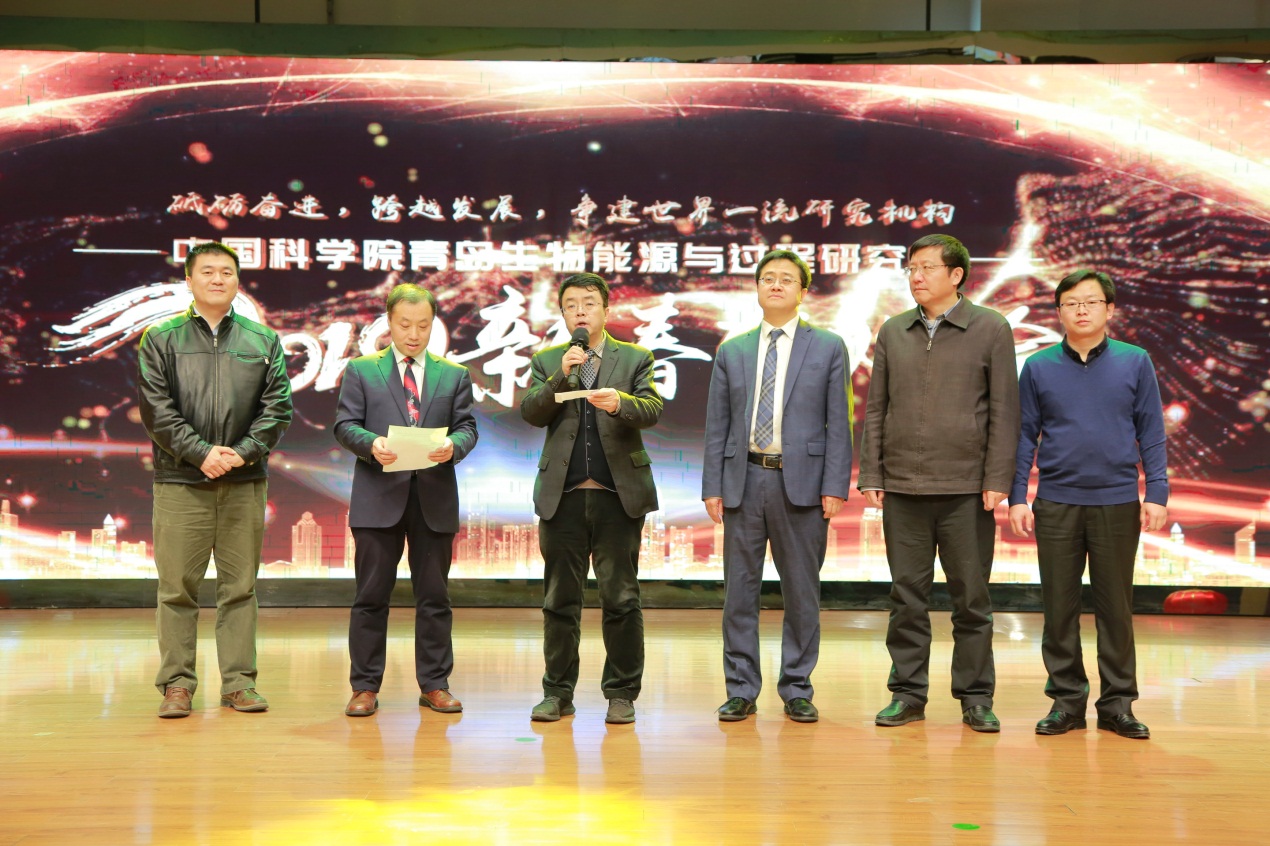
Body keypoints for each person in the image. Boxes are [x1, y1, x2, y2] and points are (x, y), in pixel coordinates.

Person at [857, 233, 1020, 733]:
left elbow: (1004, 410)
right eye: (912, 268)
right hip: (903, 488)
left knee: (971, 598)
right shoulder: (894, 331)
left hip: (966, 489)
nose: (917, 276)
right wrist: (872, 472)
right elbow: (877, 408)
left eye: (927, 267)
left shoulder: (990, 327)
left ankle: (975, 697)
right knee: (907, 597)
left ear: (956, 275)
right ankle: (907, 693)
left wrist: (997, 477)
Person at [1009, 270, 1168, 740]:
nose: (1082, 310)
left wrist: (1157, 492)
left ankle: (1118, 705)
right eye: (1071, 303)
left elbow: (1151, 430)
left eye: (1092, 301)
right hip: (1056, 501)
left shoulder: (1135, 361)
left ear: (1110, 309)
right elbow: (1024, 435)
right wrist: (1018, 495)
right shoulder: (1037, 366)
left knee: (1115, 608)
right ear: (1058, 312)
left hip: (1117, 501)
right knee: (1059, 609)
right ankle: (1066, 703)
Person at [138, 241, 293, 718]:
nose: (217, 279)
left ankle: (239, 683)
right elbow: (157, 411)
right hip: (180, 482)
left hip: (244, 482)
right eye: (207, 271)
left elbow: (277, 408)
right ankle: (177, 685)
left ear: (238, 281)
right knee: (176, 589)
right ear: (189, 280)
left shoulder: (262, 340)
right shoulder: (160, 338)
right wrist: (201, 454)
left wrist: (240, 454)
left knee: (240, 588)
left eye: (227, 271)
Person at [702, 249, 854, 724]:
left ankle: (797, 688)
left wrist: (835, 485)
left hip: (803, 484)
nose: (776, 285)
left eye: (787, 279)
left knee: (802, 593)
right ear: (757, 288)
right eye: (767, 277)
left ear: (803, 291)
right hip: (743, 480)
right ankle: (740, 689)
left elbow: (839, 422)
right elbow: (717, 424)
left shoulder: (828, 346)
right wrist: (712, 485)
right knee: (739, 594)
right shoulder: (733, 350)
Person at [520, 272, 663, 725]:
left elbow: (652, 409)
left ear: (605, 309)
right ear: (562, 314)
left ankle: (621, 693)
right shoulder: (548, 360)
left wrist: (619, 402)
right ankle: (557, 692)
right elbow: (531, 412)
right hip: (561, 498)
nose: (580, 312)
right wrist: (558, 378)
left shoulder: (636, 357)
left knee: (621, 598)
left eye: (588, 303)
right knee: (559, 600)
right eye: (571, 306)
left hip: (617, 497)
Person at [334, 283, 478, 717]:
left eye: (423, 325)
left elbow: (467, 428)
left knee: (434, 598)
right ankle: (364, 687)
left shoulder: (454, 374)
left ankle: (435, 684)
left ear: (433, 325)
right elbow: (345, 425)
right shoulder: (362, 370)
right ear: (389, 323)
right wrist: (371, 443)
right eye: (404, 325)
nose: (414, 334)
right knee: (370, 596)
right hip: (378, 497)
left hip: (433, 499)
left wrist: (453, 446)